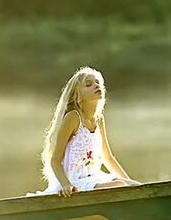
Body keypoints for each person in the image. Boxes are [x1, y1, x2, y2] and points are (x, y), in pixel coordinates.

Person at [33, 67, 139, 197]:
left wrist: (132, 185)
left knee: (129, 184)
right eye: (88, 84)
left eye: (98, 83)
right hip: (75, 182)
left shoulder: (98, 119)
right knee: (119, 185)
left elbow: (108, 158)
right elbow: (55, 161)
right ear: (77, 96)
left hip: (94, 179)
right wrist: (66, 185)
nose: (96, 85)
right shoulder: (73, 118)